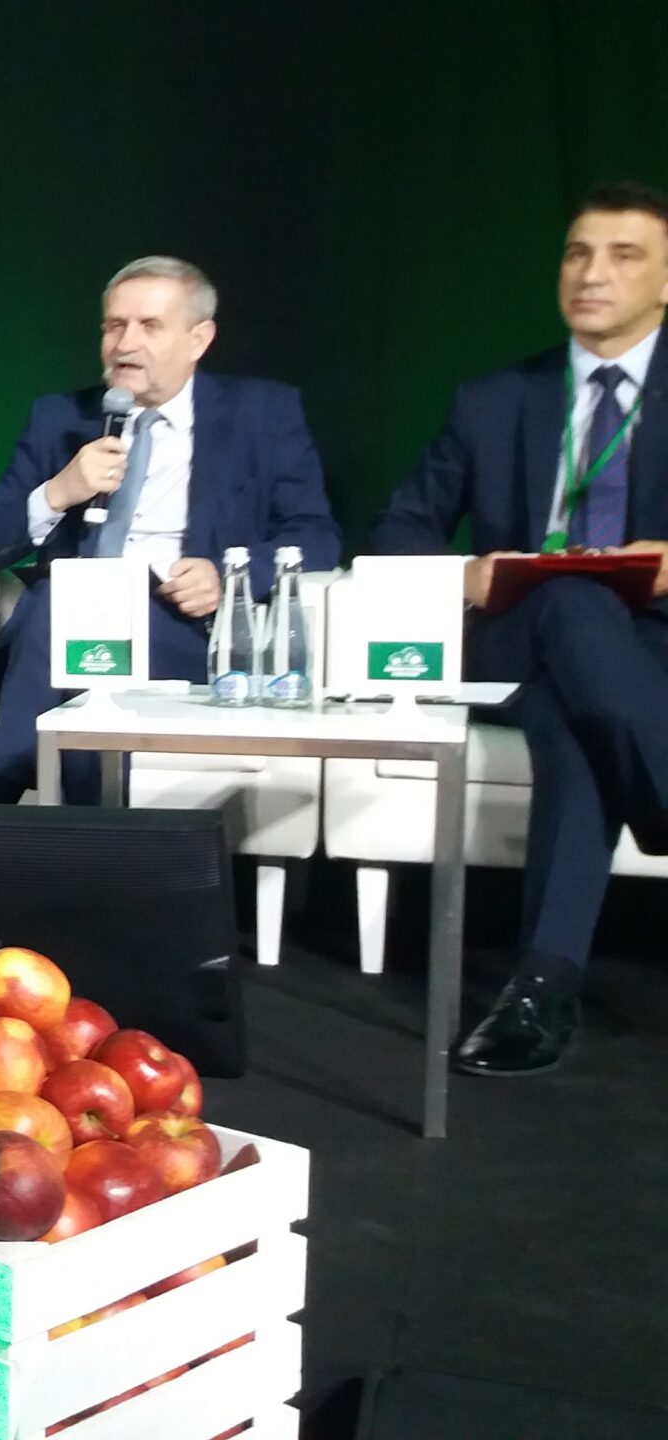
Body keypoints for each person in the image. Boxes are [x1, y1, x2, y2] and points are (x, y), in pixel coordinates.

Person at [367, 180, 668, 1076]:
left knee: (569, 718)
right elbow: (397, 533)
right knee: (570, 601)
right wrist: (466, 573)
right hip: (520, 634)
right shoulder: (496, 399)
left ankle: (541, 990)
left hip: (650, 645)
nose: (592, 273)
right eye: (577, 253)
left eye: (623, 256)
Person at [0, 256, 340, 805]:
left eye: (149, 326)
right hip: (60, 631)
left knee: (61, 618)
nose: (125, 344)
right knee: (65, 607)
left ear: (199, 339)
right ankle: (86, 834)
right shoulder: (59, 419)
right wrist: (58, 491)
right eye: (114, 326)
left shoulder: (262, 413)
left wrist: (228, 577)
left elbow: (315, 535)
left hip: (184, 628)